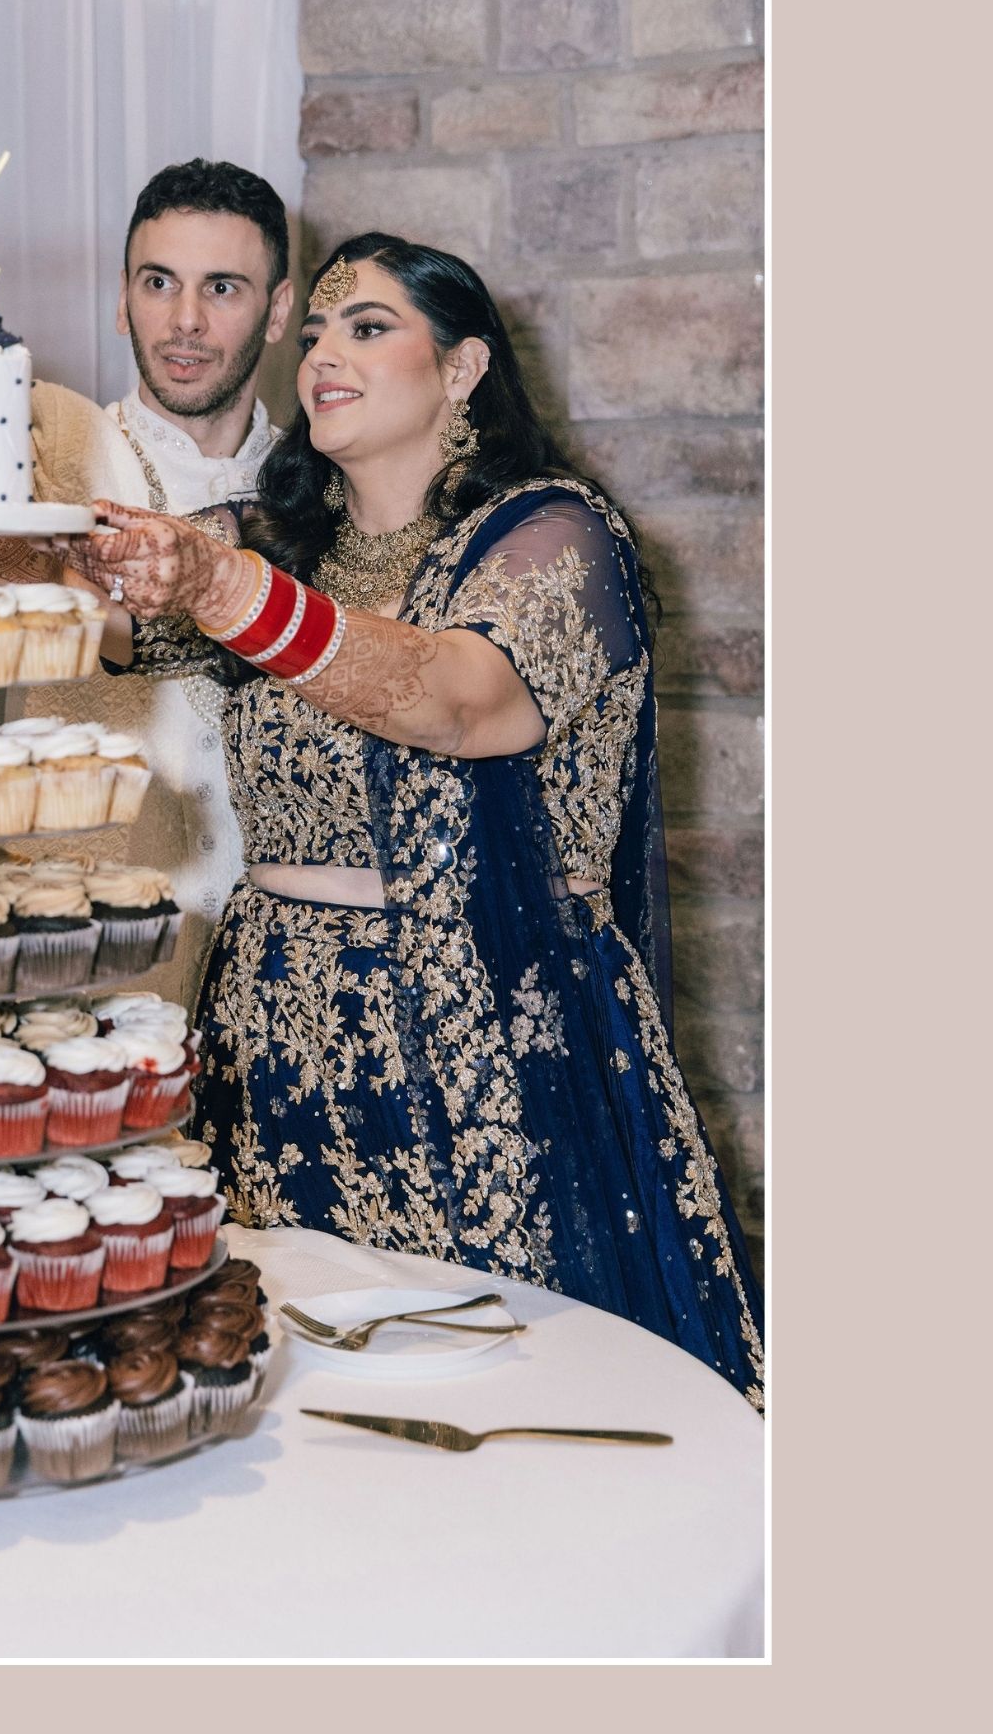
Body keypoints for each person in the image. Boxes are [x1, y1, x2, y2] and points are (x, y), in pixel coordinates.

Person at [62, 233, 764, 1405]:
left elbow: (457, 700)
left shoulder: (555, 536)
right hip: (278, 1035)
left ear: (464, 366)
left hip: (487, 1037)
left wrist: (222, 584)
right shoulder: (281, 543)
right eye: (316, 332)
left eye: (369, 327)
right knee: (292, 1386)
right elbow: (80, 611)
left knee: (512, 1387)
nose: (322, 355)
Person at [0, 159, 297, 1003]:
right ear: (122, 300)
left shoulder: (321, 479)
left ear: (277, 312)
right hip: (88, 957)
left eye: (222, 288)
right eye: (158, 282)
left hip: (279, 966)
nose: (186, 320)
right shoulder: (53, 430)